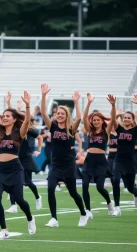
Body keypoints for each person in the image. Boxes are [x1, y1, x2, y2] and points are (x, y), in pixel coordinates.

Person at [0, 83, 36, 239]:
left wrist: (27, 106)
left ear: (13, 119)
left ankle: (30, 217)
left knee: (19, 199)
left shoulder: (19, 132)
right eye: (3, 116)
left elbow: (26, 121)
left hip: (15, 169)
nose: (4, 118)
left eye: (7, 116)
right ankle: (4, 229)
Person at [41, 84, 88, 227]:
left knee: (73, 193)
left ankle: (83, 213)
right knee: (50, 189)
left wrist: (76, 102)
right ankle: (54, 218)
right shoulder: (53, 126)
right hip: (55, 165)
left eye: (63, 114)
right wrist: (43, 96)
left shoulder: (71, 128)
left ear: (67, 116)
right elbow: (43, 113)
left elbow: (79, 118)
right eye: (58, 114)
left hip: (68, 165)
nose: (60, 115)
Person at [108, 94, 137, 216]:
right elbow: (113, 119)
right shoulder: (119, 129)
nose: (126, 119)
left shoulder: (135, 130)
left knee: (130, 187)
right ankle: (117, 208)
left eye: (129, 118)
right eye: (125, 118)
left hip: (130, 161)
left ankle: (136, 194)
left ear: (132, 120)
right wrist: (113, 105)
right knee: (115, 180)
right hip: (118, 160)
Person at [81, 93, 114, 218]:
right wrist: (89, 103)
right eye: (94, 120)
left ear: (102, 120)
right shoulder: (90, 131)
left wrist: (113, 105)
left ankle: (109, 202)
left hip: (100, 162)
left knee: (100, 188)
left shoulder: (106, 131)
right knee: (84, 186)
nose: (95, 122)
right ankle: (88, 211)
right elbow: (84, 117)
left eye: (98, 120)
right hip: (89, 160)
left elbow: (113, 119)